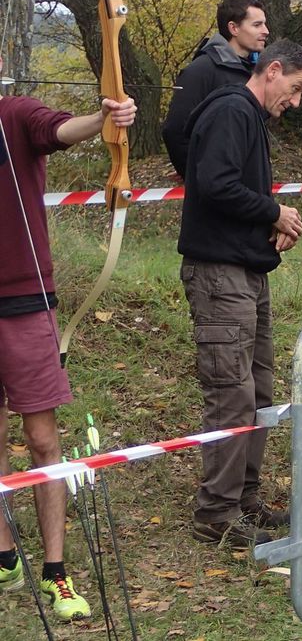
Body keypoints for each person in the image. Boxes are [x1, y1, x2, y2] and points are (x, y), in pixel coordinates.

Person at [0, 53, 137, 621]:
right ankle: (5, 556)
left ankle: (56, 571)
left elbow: (56, 129)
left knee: (42, 441)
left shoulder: (12, 114)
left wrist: (104, 118)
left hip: (23, 299)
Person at [178, 39, 302, 548]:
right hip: (220, 276)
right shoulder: (233, 109)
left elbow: (237, 191)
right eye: (295, 89)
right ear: (273, 70)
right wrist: (271, 212)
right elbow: (214, 184)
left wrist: (271, 219)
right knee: (231, 392)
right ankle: (215, 511)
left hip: (245, 271)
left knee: (257, 390)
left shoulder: (248, 117)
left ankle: (244, 497)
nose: (295, 102)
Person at [162, 0, 269, 178]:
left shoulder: (255, 71)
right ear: (233, 28)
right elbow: (174, 131)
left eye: (264, 24)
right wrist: (200, 178)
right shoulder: (201, 70)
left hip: (247, 187)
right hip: (218, 191)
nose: (266, 31)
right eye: (257, 25)